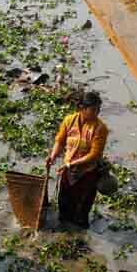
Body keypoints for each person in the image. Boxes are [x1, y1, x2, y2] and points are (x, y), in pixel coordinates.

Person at [46, 91, 108, 229]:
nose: (96, 113)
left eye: (98, 109)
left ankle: (81, 238)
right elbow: (60, 141)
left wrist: (71, 164)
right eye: (93, 109)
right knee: (64, 205)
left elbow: (95, 154)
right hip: (68, 172)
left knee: (82, 211)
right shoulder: (69, 120)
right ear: (82, 108)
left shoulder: (100, 128)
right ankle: (65, 233)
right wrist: (53, 156)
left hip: (87, 173)